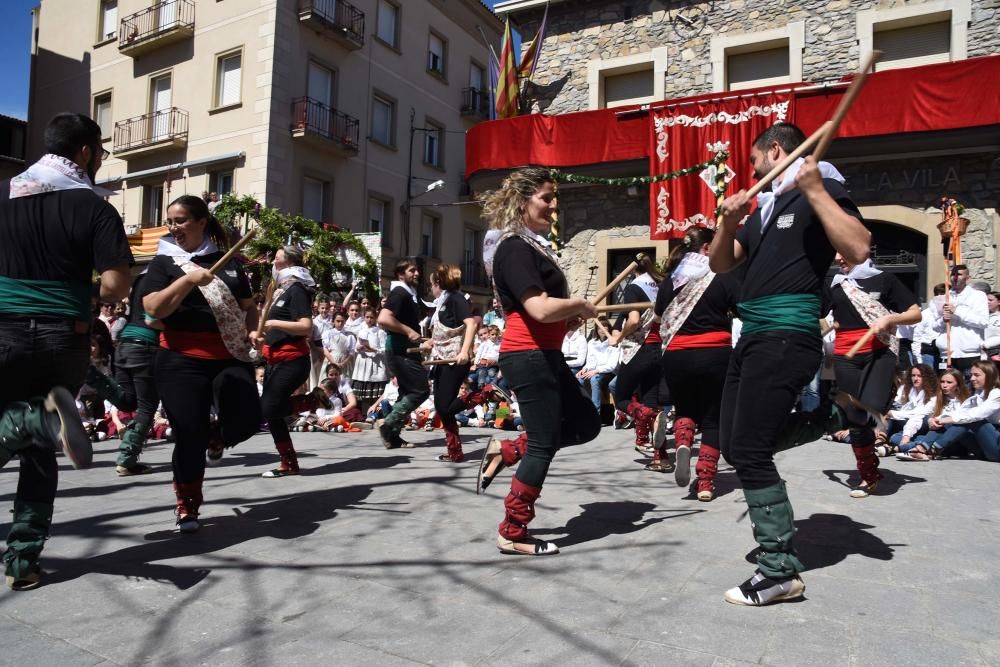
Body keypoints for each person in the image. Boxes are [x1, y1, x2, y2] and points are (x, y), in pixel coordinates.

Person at [709, 122, 872, 606]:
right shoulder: (765, 209)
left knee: (752, 450)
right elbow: (721, 265)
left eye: (755, 162)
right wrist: (727, 223)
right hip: (754, 335)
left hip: (787, 333)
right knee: (739, 446)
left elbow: (858, 248)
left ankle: (779, 569)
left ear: (775, 151)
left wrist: (816, 188)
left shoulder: (819, 187)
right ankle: (837, 415)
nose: (753, 172)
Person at [0, 112, 132, 590]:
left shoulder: (4, 192)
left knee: (17, 426)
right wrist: (88, 289)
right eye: (99, 152)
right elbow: (116, 287)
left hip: (2, 332)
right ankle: (22, 561)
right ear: (84, 152)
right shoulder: (94, 207)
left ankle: (31, 419)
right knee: (39, 452)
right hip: (64, 334)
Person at [477, 168, 601, 556]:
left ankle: (508, 450)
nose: (553, 205)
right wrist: (578, 305)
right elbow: (537, 308)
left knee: (585, 423)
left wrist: (569, 316)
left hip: (544, 353)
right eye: (546, 198)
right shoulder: (514, 248)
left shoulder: (533, 247)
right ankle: (513, 531)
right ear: (523, 201)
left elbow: (547, 313)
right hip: (527, 354)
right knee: (544, 444)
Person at [142, 195, 261, 533]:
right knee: (188, 434)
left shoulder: (231, 262)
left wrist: (253, 330)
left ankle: (218, 436)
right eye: (171, 221)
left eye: (180, 220)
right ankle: (188, 505)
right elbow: (152, 308)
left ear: (201, 221)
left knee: (249, 419)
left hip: (228, 354)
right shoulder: (165, 262)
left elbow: (248, 306)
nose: (173, 227)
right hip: (180, 357)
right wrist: (188, 280)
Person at [826, 253, 920, 497]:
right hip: (846, 355)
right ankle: (869, 475)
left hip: (879, 352)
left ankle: (880, 412)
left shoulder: (884, 279)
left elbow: (915, 313)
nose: (838, 258)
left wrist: (891, 317)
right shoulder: (833, 283)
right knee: (856, 418)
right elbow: (819, 316)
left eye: (843, 252)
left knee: (871, 408)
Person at [657, 226, 740, 500]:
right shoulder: (721, 275)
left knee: (685, 408)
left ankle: (682, 443)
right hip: (714, 352)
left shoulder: (671, 279)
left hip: (677, 354)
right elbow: (742, 307)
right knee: (713, 418)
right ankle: (705, 482)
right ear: (707, 248)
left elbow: (659, 313)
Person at [253, 246, 317, 478]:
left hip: (293, 361)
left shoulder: (297, 290)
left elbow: (305, 327)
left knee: (268, 407)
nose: (273, 261)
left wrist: (272, 324)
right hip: (274, 361)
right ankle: (288, 463)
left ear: (289, 263)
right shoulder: (280, 291)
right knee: (273, 414)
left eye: (277, 258)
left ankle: (310, 401)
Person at [609, 254, 668, 471]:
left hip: (639, 348)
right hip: (658, 349)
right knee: (652, 402)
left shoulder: (635, 287)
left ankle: (644, 415)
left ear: (633, 270)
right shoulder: (662, 286)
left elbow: (633, 320)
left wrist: (618, 336)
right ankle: (660, 457)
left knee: (622, 396)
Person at [423, 264, 477, 462]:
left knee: (445, 407)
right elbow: (448, 329)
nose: (431, 289)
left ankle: (485, 393)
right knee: (441, 407)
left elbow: (471, 323)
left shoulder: (456, 298)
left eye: (432, 285)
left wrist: (465, 351)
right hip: (442, 359)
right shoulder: (443, 301)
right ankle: (455, 452)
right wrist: (431, 342)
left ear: (439, 282)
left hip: (455, 359)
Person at [112, 271, 164, 476]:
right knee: (147, 406)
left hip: (124, 345)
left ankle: (98, 381)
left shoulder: (141, 278)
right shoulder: (161, 278)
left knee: (128, 401)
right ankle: (126, 460)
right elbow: (152, 318)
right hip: (145, 346)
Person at [376, 258, 428, 449]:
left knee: (407, 391)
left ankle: (392, 436)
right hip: (400, 348)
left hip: (405, 348)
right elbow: (383, 318)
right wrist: (408, 330)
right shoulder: (399, 292)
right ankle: (387, 423)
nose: (416, 273)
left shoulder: (408, 293)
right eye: (411, 270)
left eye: (416, 270)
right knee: (420, 390)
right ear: (400, 274)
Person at [901, 361, 1000, 461]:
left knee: (972, 419)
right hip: (982, 449)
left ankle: (928, 449)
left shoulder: (997, 393)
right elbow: (959, 414)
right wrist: (936, 420)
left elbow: (978, 414)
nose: (972, 378)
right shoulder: (976, 396)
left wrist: (946, 420)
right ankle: (921, 448)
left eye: (976, 375)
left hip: (997, 448)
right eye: (971, 375)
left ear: (989, 375)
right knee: (951, 419)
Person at [933, 264, 988, 382]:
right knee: (948, 390)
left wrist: (958, 311)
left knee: (969, 388)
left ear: (967, 278)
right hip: (947, 353)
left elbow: (983, 321)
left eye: (959, 274)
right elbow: (935, 327)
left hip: (969, 353)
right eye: (953, 274)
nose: (955, 277)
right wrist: (943, 320)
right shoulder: (943, 297)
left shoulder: (978, 296)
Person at [350, 307, 388, 416]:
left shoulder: (380, 332)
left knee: (375, 390)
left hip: (376, 364)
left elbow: (384, 349)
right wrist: (359, 348)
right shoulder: (361, 331)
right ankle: (363, 414)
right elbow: (355, 347)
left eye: (372, 317)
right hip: (363, 363)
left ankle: (375, 414)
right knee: (363, 391)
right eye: (367, 317)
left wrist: (373, 349)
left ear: (375, 318)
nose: (369, 320)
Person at [577, 319, 618, 411]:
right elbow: (591, 361)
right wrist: (585, 369)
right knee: (580, 379)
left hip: (609, 373)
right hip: (594, 372)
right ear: (596, 329)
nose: (602, 330)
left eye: (605, 327)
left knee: (594, 379)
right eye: (600, 328)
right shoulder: (592, 343)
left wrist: (596, 371)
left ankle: (596, 413)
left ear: (609, 329)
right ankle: (582, 410)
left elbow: (612, 366)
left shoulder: (613, 343)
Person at [309, 298, 332, 390]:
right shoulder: (314, 321)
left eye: (326, 308)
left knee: (326, 369)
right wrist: (317, 350)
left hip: (329, 349)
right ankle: (315, 389)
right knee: (316, 370)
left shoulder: (332, 320)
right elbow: (311, 338)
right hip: (316, 348)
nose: (324, 310)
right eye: (322, 308)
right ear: (318, 309)